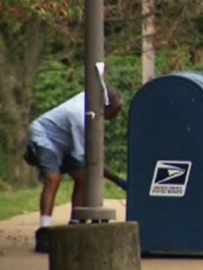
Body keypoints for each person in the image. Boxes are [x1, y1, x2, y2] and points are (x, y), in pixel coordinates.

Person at [24, 87, 128, 253]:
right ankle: (44, 232)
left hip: (65, 140)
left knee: (83, 178)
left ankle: (75, 226)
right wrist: (118, 181)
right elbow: (90, 161)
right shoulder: (80, 117)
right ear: (104, 107)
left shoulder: (92, 103)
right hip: (45, 137)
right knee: (53, 178)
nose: (114, 118)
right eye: (114, 113)